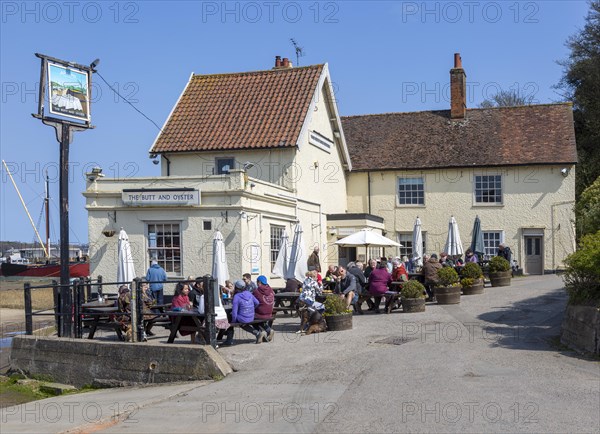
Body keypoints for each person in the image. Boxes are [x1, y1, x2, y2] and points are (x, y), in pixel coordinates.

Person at [227, 280, 262, 345]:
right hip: (251, 316)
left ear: (236, 287)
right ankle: (257, 333)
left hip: (242, 318)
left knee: (230, 318)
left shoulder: (236, 296)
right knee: (243, 323)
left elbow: (234, 312)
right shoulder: (249, 293)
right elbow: (257, 303)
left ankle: (229, 340)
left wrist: (233, 321)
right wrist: (252, 309)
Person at [253, 275, 275, 342]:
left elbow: (252, 301)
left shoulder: (257, 291)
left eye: (257, 282)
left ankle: (259, 333)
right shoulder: (270, 289)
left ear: (259, 282)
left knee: (251, 319)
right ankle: (269, 330)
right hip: (270, 312)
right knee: (260, 318)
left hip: (261, 313)